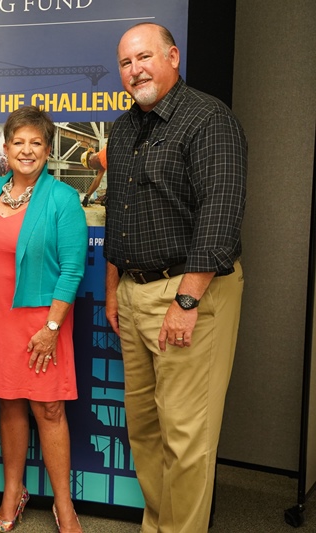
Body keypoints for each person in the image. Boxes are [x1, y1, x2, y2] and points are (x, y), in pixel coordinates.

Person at [105, 22, 247, 533]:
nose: (134, 70)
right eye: (124, 62)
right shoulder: (123, 130)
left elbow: (220, 216)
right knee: (144, 428)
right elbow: (119, 215)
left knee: (187, 437)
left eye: (144, 57)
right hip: (133, 293)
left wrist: (186, 303)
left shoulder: (208, 119)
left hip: (191, 290)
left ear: (172, 56)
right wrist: (113, 292)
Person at [0, 106, 88, 533]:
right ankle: (12, 493)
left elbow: (73, 269)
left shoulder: (62, 198)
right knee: (10, 405)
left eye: (36, 142)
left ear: (47, 149)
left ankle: (64, 505)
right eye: (18, 141)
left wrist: (52, 329)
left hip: (43, 321)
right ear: (5, 148)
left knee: (50, 408)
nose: (26, 150)